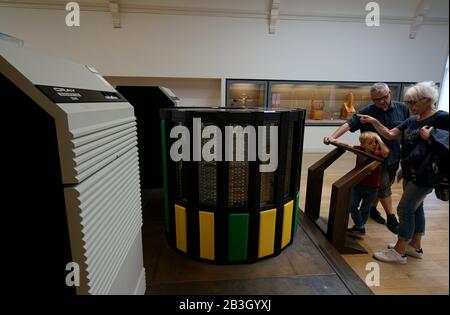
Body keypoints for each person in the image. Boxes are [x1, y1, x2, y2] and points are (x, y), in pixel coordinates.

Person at [358, 81, 449, 264]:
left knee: (405, 208)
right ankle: (415, 245)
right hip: (410, 171)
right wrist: (375, 121)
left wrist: (430, 137)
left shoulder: (442, 118)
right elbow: (391, 135)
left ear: (428, 100)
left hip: (428, 173)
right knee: (417, 207)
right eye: (408, 103)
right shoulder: (413, 119)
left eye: (413, 103)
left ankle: (399, 251)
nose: (410, 107)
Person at [324, 83, 409, 234]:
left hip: (394, 156)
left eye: (385, 97)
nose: (382, 101)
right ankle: (391, 217)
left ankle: (372, 209)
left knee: (381, 185)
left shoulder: (403, 109)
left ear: (390, 93)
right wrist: (332, 137)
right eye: (377, 99)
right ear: (372, 99)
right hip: (373, 159)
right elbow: (349, 124)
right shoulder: (367, 112)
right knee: (383, 187)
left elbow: (409, 131)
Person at [331, 132, 389, 238]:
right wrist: (334, 140)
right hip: (358, 185)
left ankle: (359, 228)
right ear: (363, 145)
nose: (375, 145)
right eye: (370, 143)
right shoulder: (360, 150)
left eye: (376, 142)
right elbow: (348, 146)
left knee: (365, 209)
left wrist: (379, 138)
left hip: (372, 188)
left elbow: (386, 152)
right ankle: (360, 226)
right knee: (351, 205)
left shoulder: (378, 153)